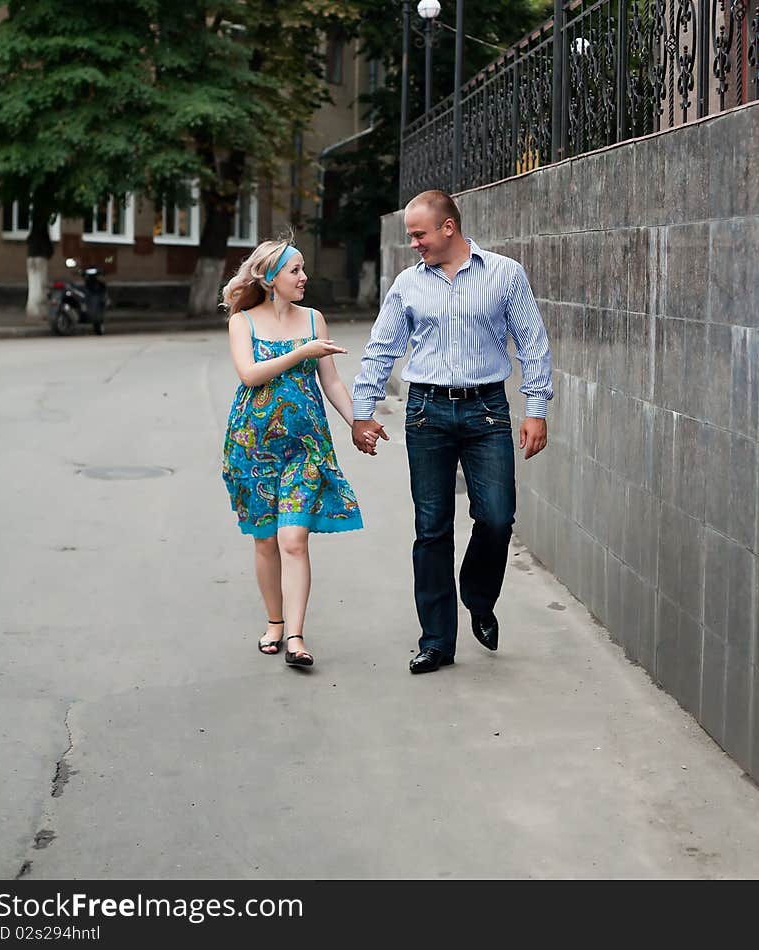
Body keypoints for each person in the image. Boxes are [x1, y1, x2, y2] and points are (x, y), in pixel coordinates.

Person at [351, 190, 552, 674]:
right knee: (432, 528)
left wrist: (536, 408)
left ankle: (478, 598)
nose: (414, 243)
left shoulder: (505, 274)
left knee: (498, 517)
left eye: (419, 234)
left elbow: (532, 342)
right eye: (410, 236)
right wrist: (362, 410)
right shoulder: (407, 284)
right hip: (426, 413)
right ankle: (437, 640)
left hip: (486, 410)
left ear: (448, 227)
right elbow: (382, 348)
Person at [222, 235, 363, 669]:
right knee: (266, 541)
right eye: (295, 270)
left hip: (306, 448)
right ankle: (275, 623)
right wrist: (301, 351)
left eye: (302, 269)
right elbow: (250, 375)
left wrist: (358, 421)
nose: (304, 277)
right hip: (253, 447)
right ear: (269, 278)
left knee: (293, 539)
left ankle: (297, 637)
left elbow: (332, 382)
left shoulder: (314, 320)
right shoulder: (242, 322)